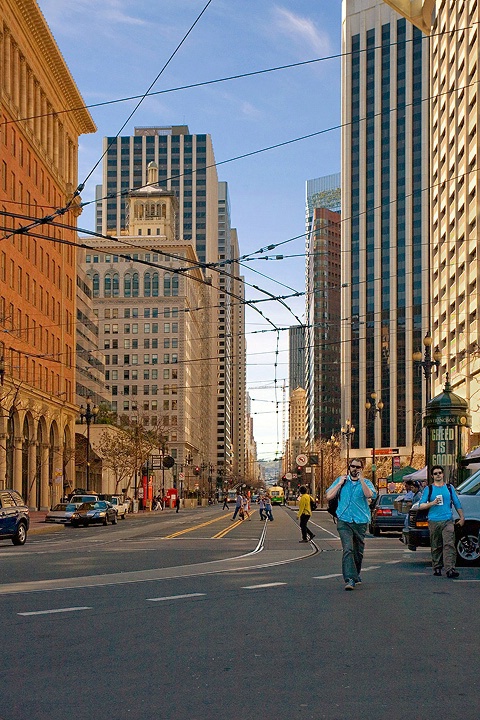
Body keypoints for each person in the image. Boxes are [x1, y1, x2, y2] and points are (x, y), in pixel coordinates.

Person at [325, 458, 376, 590]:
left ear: (361, 469)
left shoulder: (366, 483)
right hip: (344, 520)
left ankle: (355, 574)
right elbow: (329, 496)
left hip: (360, 521)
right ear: (349, 467)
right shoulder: (341, 481)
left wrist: (362, 480)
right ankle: (350, 579)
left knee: (358, 551)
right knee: (348, 548)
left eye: (358, 467)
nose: (355, 469)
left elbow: (369, 494)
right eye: (353, 466)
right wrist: (339, 483)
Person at [417, 465, 464, 578]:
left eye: (440, 473)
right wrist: (431, 503)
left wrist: (462, 517)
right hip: (434, 521)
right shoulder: (429, 489)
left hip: (448, 520)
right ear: (432, 476)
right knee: (436, 545)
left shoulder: (449, 488)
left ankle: (450, 569)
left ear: (443, 474)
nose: (438, 475)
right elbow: (420, 505)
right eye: (435, 473)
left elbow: (456, 502)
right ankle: (437, 567)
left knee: (449, 544)